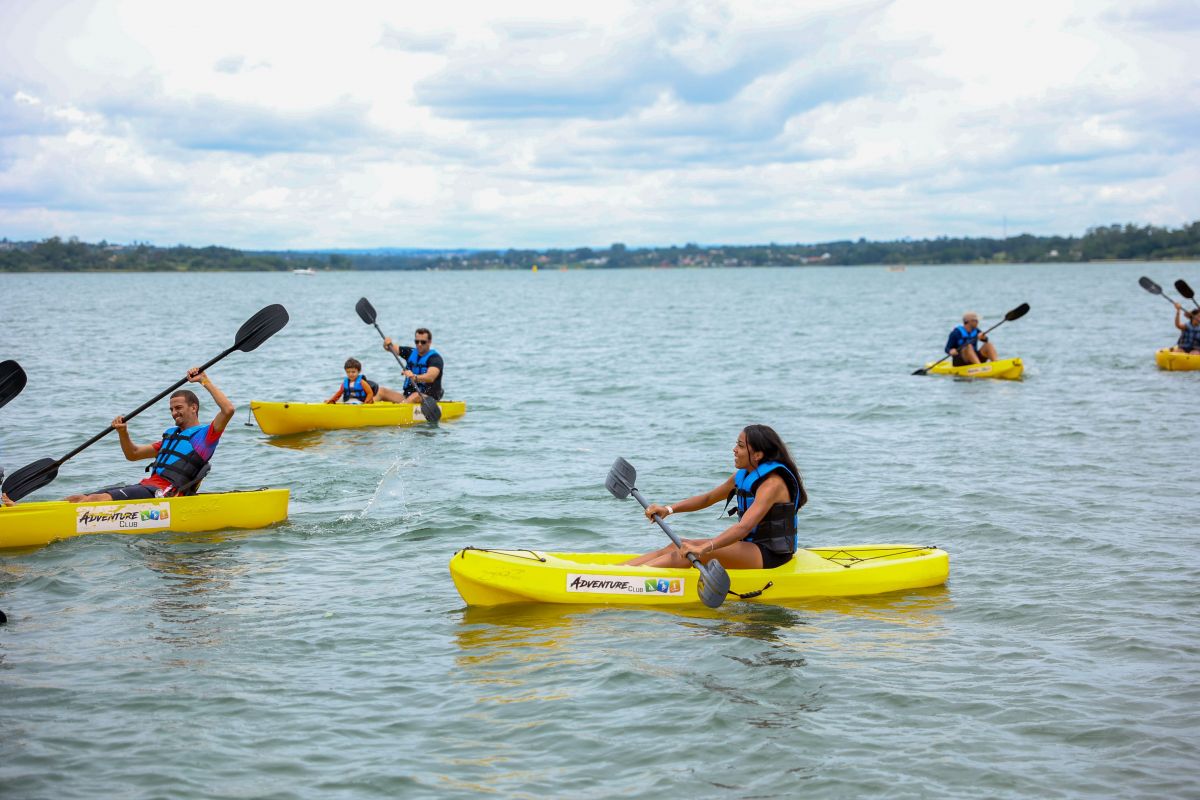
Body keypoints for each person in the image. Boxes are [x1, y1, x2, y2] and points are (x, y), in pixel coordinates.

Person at [623, 424, 808, 569]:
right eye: (736, 444)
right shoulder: (743, 475)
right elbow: (708, 498)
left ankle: (628, 580)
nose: (734, 449)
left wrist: (704, 548)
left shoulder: (772, 484)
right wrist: (669, 509)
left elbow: (743, 527)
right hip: (749, 546)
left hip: (771, 553)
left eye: (740, 446)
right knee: (677, 546)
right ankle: (617, 572)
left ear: (758, 454)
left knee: (689, 554)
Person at [64, 368, 235, 502]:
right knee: (77, 498)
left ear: (193, 408)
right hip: (147, 486)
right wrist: (123, 432)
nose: (174, 413)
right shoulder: (171, 437)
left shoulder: (204, 437)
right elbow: (133, 454)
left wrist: (204, 380)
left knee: (96, 500)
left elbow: (228, 410)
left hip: (165, 494)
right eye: (171, 409)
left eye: (178, 408)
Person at [376, 327, 444, 403]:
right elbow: (391, 348)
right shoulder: (410, 352)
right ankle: (366, 407)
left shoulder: (435, 358)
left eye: (423, 342)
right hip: (407, 398)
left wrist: (415, 377)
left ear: (429, 342)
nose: (419, 344)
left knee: (416, 395)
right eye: (417, 342)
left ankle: (400, 408)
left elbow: (430, 377)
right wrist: (387, 344)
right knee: (381, 391)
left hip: (428, 399)